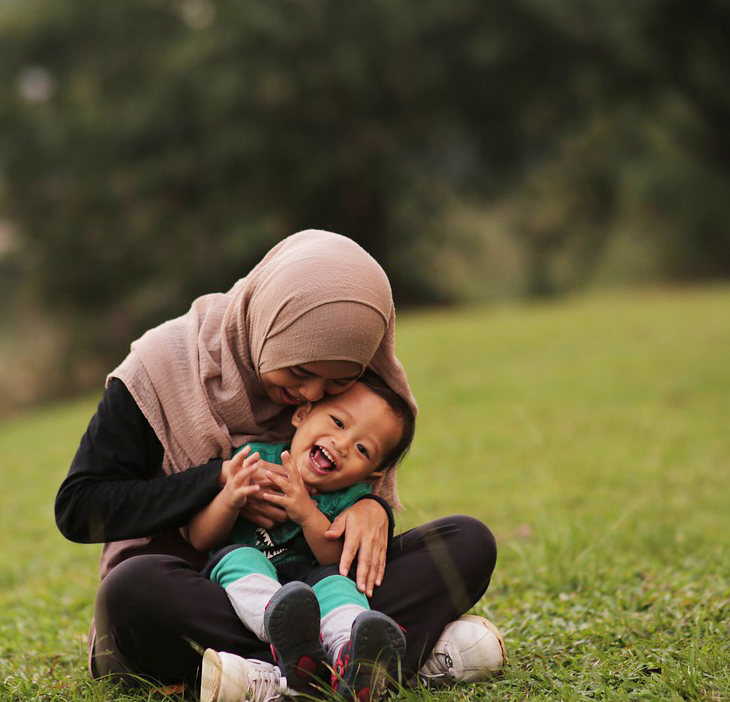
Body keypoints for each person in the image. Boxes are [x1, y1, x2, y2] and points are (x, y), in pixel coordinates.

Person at [55, 229, 500, 693]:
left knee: (467, 543)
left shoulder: (347, 360)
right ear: (269, 326)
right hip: (199, 590)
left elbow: (360, 477)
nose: (309, 395)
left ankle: (271, 677)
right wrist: (217, 482)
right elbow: (79, 507)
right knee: (132, 589)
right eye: (301, 371)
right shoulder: (160, 368)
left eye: (335, 384)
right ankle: (373, 660)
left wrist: (372, 511)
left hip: (323, 585)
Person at [193, 371, 415, 701]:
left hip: (313, 583)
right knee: (239, 557)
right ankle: (283, 625)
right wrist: (229, 499)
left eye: (362, 448)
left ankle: (353, 656)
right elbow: (200, 538)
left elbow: (335, 559)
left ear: (373, 475)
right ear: (301, 414)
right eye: (338, 423)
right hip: (249, 586)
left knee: (339, 584)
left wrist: (307, 514)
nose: (341, 444)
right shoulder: (255, 459)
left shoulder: (349, 498)